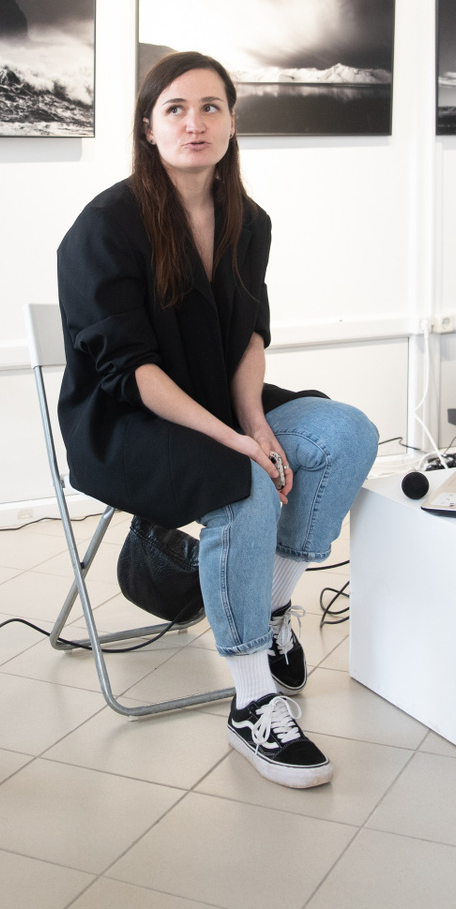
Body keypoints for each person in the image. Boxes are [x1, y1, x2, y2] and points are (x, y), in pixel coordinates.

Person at [55, 51, 379, 789]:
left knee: (345, 434)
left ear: (232, 122)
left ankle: (269, 608)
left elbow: (248, 338)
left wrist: (253, 422)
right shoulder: (105, 226)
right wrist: (235, 441)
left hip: (218, 398)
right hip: (127, 419)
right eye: (175, 108)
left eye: (210, 107)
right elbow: (131, 370)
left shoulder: (247, 220)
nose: (194, 122)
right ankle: (253, 699)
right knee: (243, 478)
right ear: (148, 127)